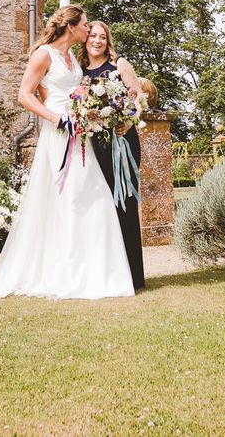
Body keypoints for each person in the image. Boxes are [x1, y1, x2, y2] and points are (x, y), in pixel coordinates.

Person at [0, 5, 134, 299]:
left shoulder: (72, 57)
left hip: (80, 132)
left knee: (95, 196)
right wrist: (56, 118)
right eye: (86, 25)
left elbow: (77, 93)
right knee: (72, 198)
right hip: (59, 134)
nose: (89, 31)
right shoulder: (43, 54)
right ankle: (70, 274)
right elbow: (24, 95)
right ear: (71, 27)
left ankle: (99, 273)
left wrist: (89, 110)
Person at [79, 21, 146, 290]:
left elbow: (138, 98)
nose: (97, 40)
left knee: (125, 205)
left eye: (102, 37)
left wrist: (127, 122)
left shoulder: (119, 65)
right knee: (101, 207)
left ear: (108, 41)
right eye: (92, 36)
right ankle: (109, 273)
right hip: (97, 144)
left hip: (123, 142)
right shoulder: (80, 72)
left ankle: (134, 276)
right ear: (85, 40)